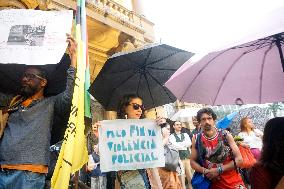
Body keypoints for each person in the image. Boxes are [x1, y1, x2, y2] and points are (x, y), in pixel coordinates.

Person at [0, 34, 77, 189]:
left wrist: (73, 57)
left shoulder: (50, 103)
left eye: (30, 76)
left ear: (43, 82)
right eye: (24, 76)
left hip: (30, 173)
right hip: (3, 170)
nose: (24, 79)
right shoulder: (13, 102)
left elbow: (69, 94)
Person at [93, 94, 162, 189]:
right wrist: (100, 136)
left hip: (148, 175)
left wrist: (159, 127)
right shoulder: (115, 129)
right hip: (129, 177)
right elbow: (108, 154)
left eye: (142, 107)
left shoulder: (147, 128)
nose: (140, 110)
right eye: (136, 106)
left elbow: (156, 148)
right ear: (125, 108)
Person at [190, 108, 245, 189]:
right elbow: (192, 161)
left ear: (214, 120)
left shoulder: (225, 135)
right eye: (203, 119)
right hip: (211, 182)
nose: (207, 122)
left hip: (232, 181)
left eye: (209, 118)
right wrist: (205, 171)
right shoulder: (196, 138)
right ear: (200, 122)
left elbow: (239, 160)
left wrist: (218, 170)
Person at [250, 117, 284, 189]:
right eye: (249, 122)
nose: (251, 123)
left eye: (251, 122)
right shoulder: (261, 170)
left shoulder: (257, 131)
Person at [169, 121, 193, 189]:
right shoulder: (171, 136)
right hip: (178, 159)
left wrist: (180, 145)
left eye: (180, 124)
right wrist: (184, 146)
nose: (179, 126)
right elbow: (174, 146)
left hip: (188, 158)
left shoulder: (185, 134)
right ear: (173, 126)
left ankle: (191, 187)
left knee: (190, 175)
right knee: (181, 176)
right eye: (177, 125)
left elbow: (189, 143)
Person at [158, 123, 183, 189]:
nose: (169, 131)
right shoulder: (157, 140)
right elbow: (158, 149)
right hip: (163, 170)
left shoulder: (169, 139)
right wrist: (166, 138)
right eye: (167, 129)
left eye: (169, 129)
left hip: (172, 170)